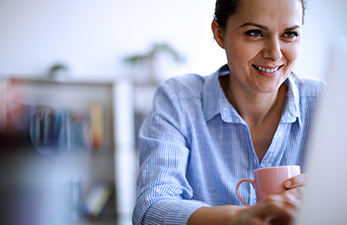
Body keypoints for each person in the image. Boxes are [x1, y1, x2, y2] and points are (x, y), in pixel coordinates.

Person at [132, 0, 325, 224]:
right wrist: (241, 218)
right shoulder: (179, 100)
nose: (274, 53)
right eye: (255, 33)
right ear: (219, 34)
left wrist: (328, 199)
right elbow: (151, 209)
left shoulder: (325, 102)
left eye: (290, 34)